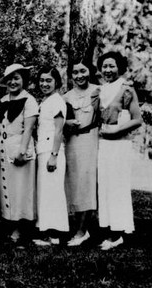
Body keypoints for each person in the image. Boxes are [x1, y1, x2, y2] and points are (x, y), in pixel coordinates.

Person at [96, 51, 142, 250]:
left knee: (117, 187)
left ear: (120, 68)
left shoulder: (126, 88)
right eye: (104, 66)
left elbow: (137, 119)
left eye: (112, 66)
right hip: (104, 144)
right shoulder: (101, 89)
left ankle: (118, 234)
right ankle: (109, 231)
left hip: (120, 145)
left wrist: (116, 129)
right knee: (105, 186)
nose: (108, 70)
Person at [0, 63, 38, 246]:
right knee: (7, 187)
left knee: (21, 189)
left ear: (24, 80)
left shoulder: (29, 100)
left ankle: (20, 229)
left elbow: (29, 128)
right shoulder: (3, 100)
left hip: (19, 147)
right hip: (4, 147)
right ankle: (8, 223)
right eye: (9, 79)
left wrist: (22, 150)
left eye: (17, 78)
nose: (13, 82)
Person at [63, 59, 101, 246]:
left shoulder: (98, 91)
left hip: (90, 139)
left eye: (83, 71)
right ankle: (76, 227)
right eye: (75, 72)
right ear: (71, 76)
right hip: (71, 142)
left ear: (90, 72)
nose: (79, 76)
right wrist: (66, 124)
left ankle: (82, 231)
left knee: (87, 183)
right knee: (73, 184)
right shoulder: (66, 97)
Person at [33, 66, 69, 246]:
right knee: (46, 192)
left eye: (48, 80)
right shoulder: (46, 101)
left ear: (56, 82)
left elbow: (59, 130)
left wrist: (54, 155)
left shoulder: (57, 101)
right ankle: (46, 232)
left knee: (52, 192)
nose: (44, 84)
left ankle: (54, 234)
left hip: (51, 151)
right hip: (43, 149)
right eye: (42, 80)